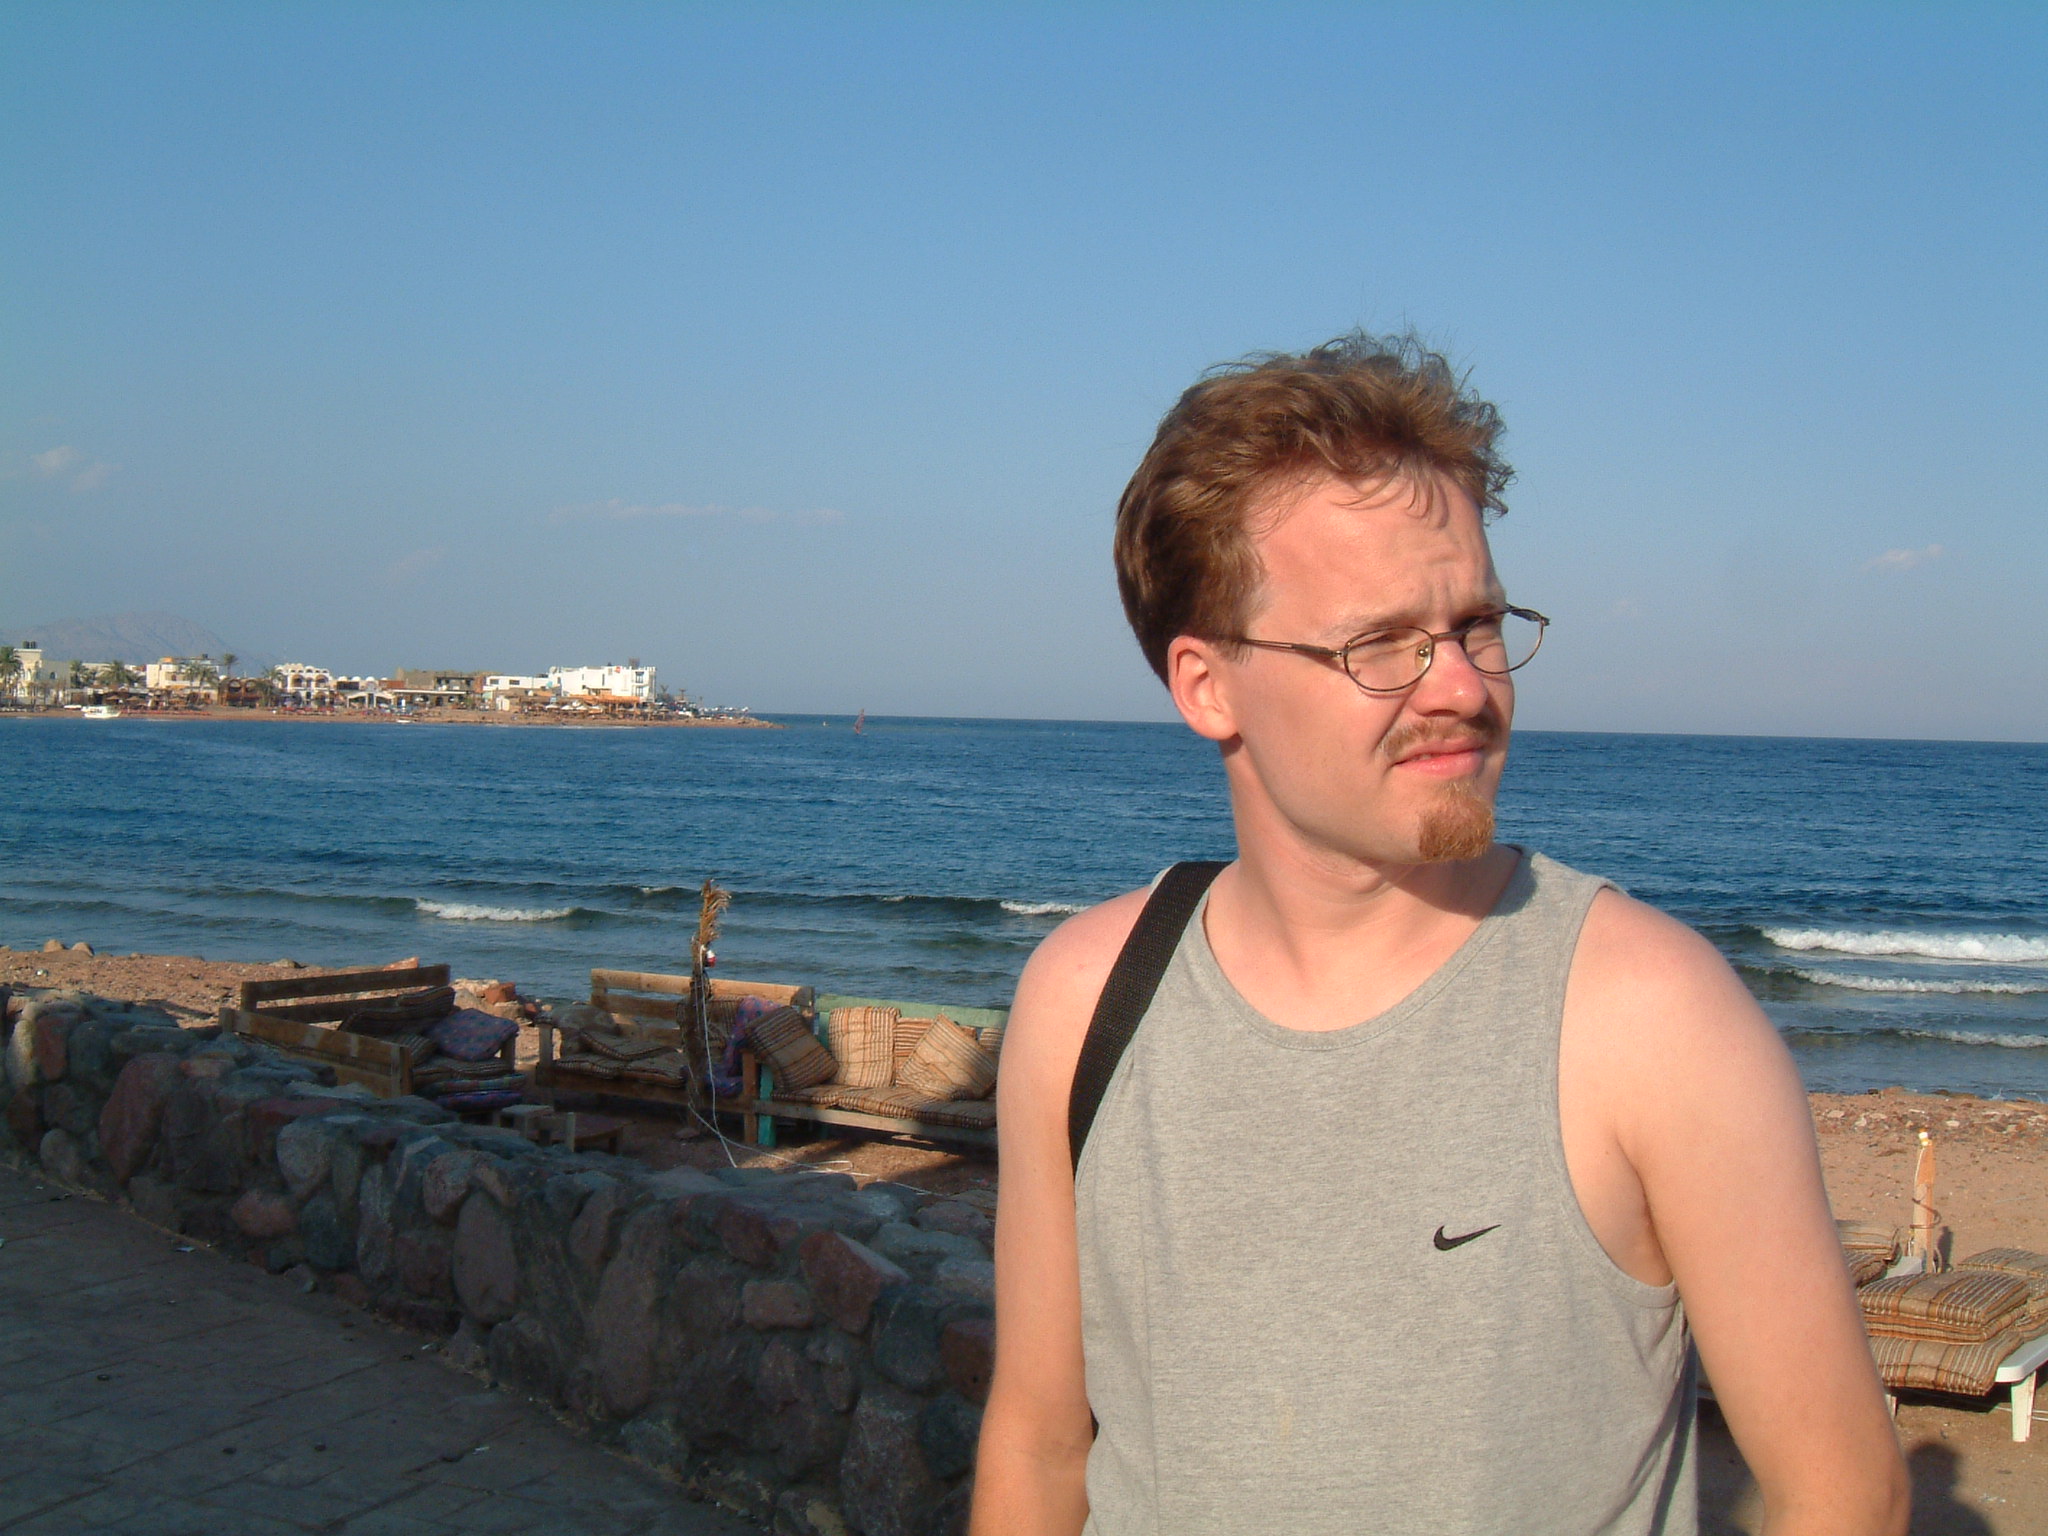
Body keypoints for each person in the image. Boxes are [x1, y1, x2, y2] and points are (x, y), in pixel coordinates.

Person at [970, 334, 1908, 1535]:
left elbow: (1841, 1491)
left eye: (1474, 624)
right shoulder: (1088, 999)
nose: (1461, 686)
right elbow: (1039, 1443)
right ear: (1206, 686)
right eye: (1378, 645)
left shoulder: (1646, 1017)